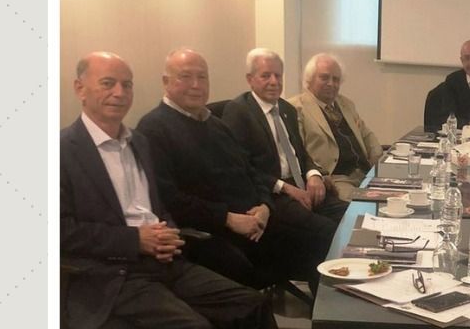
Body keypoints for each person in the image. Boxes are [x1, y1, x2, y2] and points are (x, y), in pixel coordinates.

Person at [61, 52, 328, 329]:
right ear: (79, 88)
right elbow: (60, 231)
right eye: (107, 83)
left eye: (126, 84)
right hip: (108, 275)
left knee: (249, 304)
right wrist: (135, 240)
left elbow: (159, 204)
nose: (120, 93)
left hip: (164, 257)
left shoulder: (136, 142)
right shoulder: (63, 151)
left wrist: (164, 230)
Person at [136, 48, 336, 296]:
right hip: (216, 232)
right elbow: (169, 200)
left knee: (329, 239)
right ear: (166, 82)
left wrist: (265, 206)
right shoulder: (153, 129)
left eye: (202, 77)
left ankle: (328, 315)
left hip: (257, 222)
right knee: (322, 238)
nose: (196, 85)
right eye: (186, 77)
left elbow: (251, 171)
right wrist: (228, 219)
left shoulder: (215, 125)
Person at [221, 48, 348, 221]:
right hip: (273, 195)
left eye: (278, 76)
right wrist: (285, 187)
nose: (274, 82)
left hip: (303, 187)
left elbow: (301, 154)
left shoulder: (287, 109)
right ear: (250, 79)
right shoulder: (238, 111)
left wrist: (313, 175)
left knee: (354, 215)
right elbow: (242, 167)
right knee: (330, 230)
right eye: (266, 76)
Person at [290, 52, 384, 201]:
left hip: (366, 174)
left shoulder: (346, 104)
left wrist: (378, 162)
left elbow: (367, 135)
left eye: (336, 79)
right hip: (335, 179)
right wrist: (317, 175)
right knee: (361, 206)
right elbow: (298, 153)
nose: (331, 84)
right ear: (309, 79)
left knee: (400, 198)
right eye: (324, 77)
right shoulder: (295, 108)